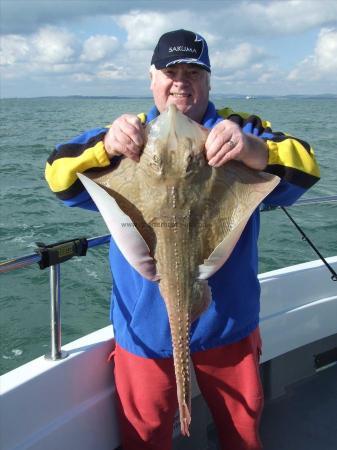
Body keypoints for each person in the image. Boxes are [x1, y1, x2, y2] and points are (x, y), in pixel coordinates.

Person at [45, 29, 320, 450]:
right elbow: (58, 177)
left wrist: (250, 149)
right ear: (152, 79)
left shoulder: (240, 129)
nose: (181, 80)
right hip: (145, 327)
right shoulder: (126, 136)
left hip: (227, 322)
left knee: (243, 433)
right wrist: (106, 147)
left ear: (209, 80)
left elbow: (307, 168)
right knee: (144, 436)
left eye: (193, 71)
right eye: (171, 71)